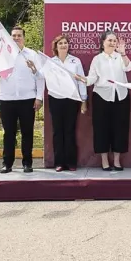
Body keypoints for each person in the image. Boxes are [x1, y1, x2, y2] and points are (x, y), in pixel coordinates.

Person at [0, 25, 44, 173]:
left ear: (24, 37)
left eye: (19, 35)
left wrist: (39, 97)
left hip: (28, 99)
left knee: (27, 132)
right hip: (6, 100)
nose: (16, 38)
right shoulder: (2, 54)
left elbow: (41, 77)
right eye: (14, 36)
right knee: (8, 133)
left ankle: (27, 163)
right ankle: (7, 163)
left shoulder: (32, 55)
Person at [74, 31, 131, 171]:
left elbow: (128, 67)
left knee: (120, 129)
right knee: (102, 129)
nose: (112, 43)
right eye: (110, 40)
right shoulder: (97, 59)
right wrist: (84, 79)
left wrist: (123, 53)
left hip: (121, 96)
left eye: (114, 41)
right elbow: (92, 78)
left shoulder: (120, 57)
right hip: (102, 97)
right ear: (103, 42)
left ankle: (117, 161)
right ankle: (105, 161)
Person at [48, 35, 87, 172]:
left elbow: (81, 81)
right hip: (55, 99)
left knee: (70, 131)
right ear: (56, 46)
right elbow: (42, 77)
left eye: (65, 43)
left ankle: (71, 162)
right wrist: (34, 68)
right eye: (60, 43)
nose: (63, 45)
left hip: (72, 100)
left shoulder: (75, 61)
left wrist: (84, 100)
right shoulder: (50, 62)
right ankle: (59, 163)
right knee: (58, 132)